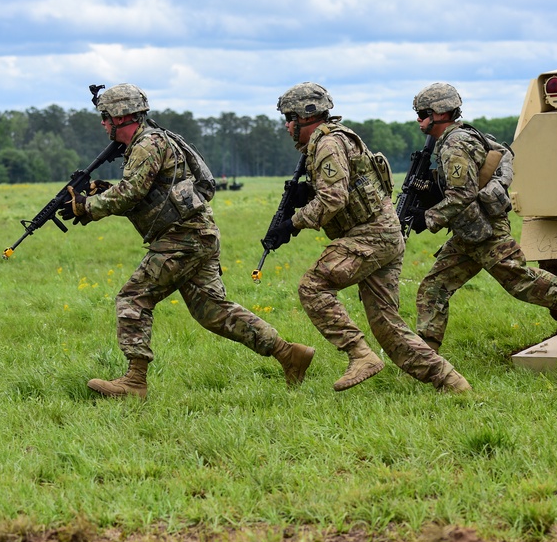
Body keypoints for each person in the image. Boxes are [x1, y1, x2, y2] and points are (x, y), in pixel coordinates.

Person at [60, 83, 315, 398]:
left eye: (105, 117)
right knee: (212, 311)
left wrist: (87, 206)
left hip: (183, 238)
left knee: (133, 298)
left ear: (121, 117)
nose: (102, 123)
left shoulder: (147, 145)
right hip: (195, 234)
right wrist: (103, 193)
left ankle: (135, 382)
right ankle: (289, 354)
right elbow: (149, 194)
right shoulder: (151, 142)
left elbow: (132, 193)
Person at [266, 82, 471, 393]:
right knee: (389, 329)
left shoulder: (328, 145)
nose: (286, 125)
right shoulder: (337, 140)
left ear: (304, 117)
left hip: (370, 236)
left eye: (289, 118)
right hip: (383, 235)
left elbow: (332, 200)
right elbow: (345, 190)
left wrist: (292, 224)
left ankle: (360, 355)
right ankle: (454, 385)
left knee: (313, 286)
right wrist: (305, 194)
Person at [412, 82, 557, 354]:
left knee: (524, 283)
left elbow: (461, 196)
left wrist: (426, 218)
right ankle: (426, 360)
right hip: (469, 231)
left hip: (486, 232)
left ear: (440, 113)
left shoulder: (455, 144)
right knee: (434, 289)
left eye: (422, 113)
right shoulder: (462, 136)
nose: (418, 119)